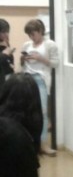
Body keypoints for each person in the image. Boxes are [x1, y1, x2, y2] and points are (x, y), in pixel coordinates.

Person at [21, 19, 59, 156]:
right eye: (29, 34)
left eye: (33, 34)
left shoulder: (50, 44)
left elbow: (55, 63)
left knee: (42, 111)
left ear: (41, 31)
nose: (31, 37)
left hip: (41, 79)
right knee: (26, 111)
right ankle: (29, 142)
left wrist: (40, 58)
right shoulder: (26, 45)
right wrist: (24, 59)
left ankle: (43, 143)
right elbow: (22, 63)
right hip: (27, 78)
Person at [0, 19, 15, 88]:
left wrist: (11, 63)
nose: (6, 34)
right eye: (3, 32)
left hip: (8, 76)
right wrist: (4, 54)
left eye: (7, 31)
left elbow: (9, 59)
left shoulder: (5, 42)